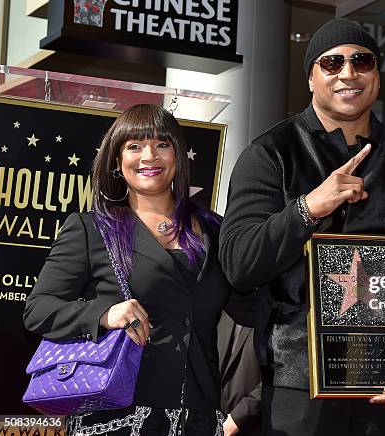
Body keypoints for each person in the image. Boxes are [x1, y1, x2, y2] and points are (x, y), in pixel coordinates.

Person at [219, 18, 385, 436]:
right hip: (299, 385)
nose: (348, 73)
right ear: (311, 78)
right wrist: (308, 208)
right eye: (332, 64)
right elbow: (239, 264)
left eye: (361, 61)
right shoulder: (270, 155)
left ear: (377, 78)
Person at [24, 104, 250, 436]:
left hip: (199, 416)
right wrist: (104, 314)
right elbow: (38, 310)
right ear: (117, 161)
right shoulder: (91, 229)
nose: (150, 155)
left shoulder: (217, 230)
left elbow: (251, 306)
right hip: (116, 417)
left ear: (178, 156)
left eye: (162, 144)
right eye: (134, 146)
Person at [218, 311, 262, 436]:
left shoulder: (271, 313)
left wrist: (237, 418)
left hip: (252, 425)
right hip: (214, 422)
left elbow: (277, 374)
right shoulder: (219, 312)